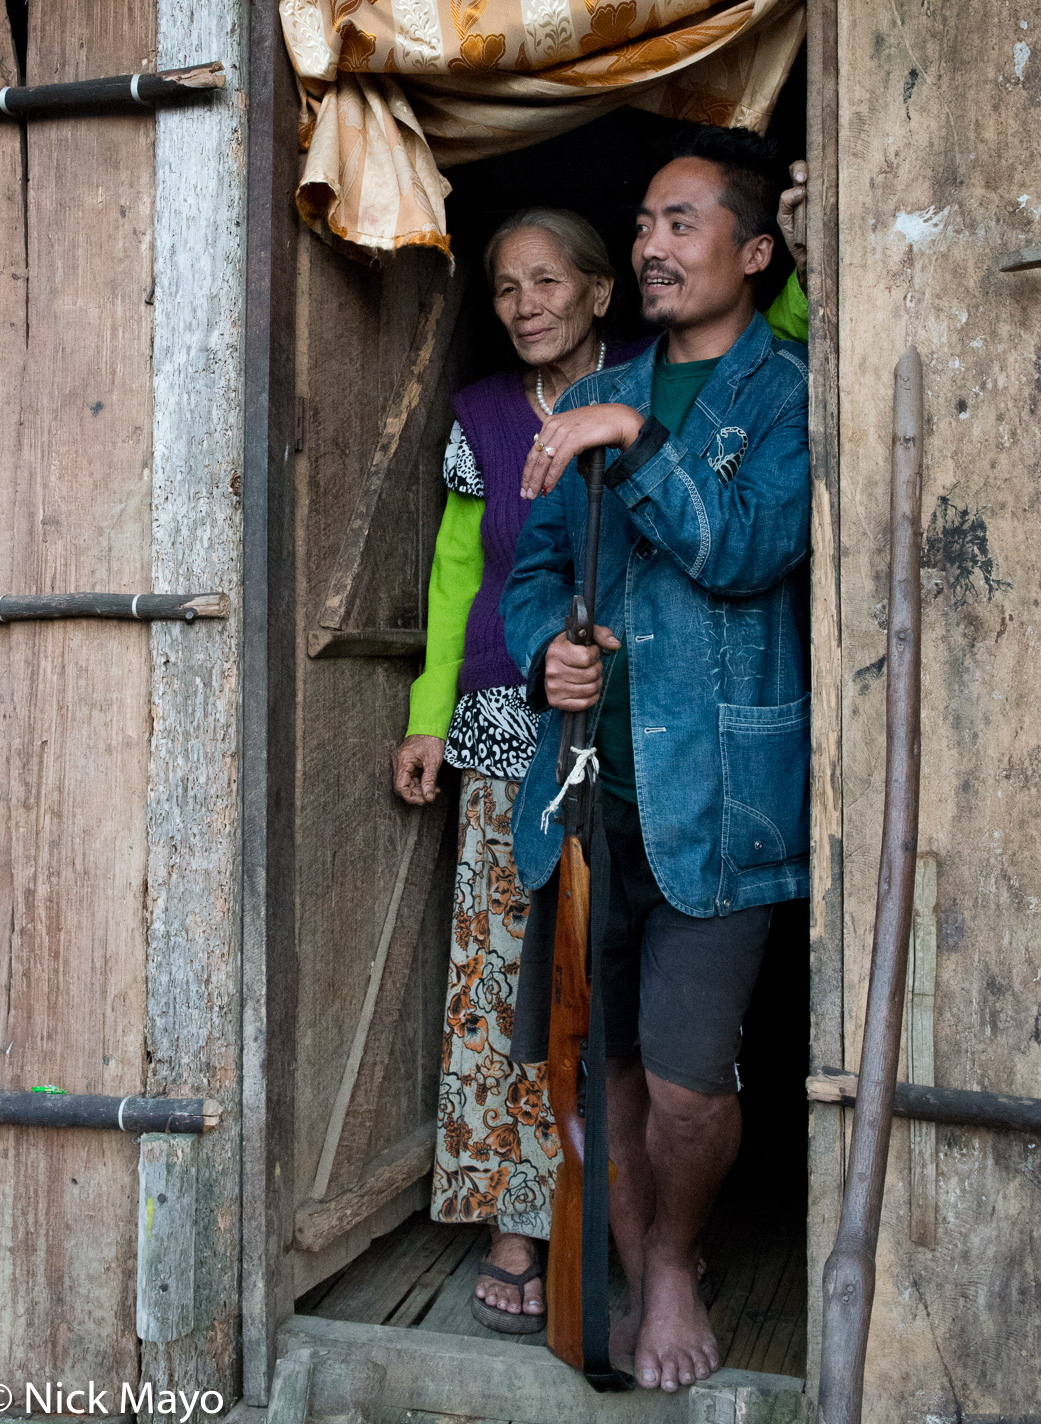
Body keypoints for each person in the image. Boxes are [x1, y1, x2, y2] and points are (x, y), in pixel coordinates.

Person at [500, 127, 811, 1389]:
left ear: (754, 248)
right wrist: (547, 657)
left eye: (682, 223)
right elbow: (530, 577)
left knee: (687, 1085)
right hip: (585, 790)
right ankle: (640, 1275)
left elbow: (748, 551)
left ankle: (677, 1254)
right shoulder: (587, 395)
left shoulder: (785, 392)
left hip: (721, 800)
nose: (652, 245)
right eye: (644, 224)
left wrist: (639, 437)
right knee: (602, 1063)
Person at [391, 208, 619, 1333]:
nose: (527, 305)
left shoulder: (655, 391)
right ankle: (514, 1221)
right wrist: (430, 716)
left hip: (631, 721)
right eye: (506, 289)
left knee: (612, 967)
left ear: (600, 293)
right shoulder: (481, 417)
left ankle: (625, 1221)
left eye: (548, 283)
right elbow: (453, 575)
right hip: (498, 717)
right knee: (497, 980)